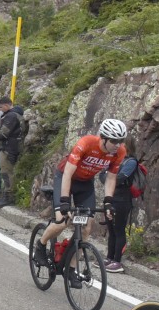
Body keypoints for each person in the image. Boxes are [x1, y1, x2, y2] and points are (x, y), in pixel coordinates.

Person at [33, 119, 128, 289]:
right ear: (103, 138)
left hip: (85, 184)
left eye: (120, 141)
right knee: (62, 221)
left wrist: (107, 202)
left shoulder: (119, 152)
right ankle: (40, 245)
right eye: (114, 141)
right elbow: (68, 173)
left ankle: (70, 269)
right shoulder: (86, 143)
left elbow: (111, 178)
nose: (117, 145)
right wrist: (64, 201)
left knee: (86, 227)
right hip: (65, 177)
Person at [105, 149, 140, 273]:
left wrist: (110, 178)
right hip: (110, 197)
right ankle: (109, 257)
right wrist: (110, 178)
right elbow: (102, 177)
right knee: (111, 229)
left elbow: (119, 178)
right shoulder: (114, 161)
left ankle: (117, 261)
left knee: (118, 229)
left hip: (122, 200)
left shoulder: (131, 162)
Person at [0, 98, 24, 207]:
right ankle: (6, 195)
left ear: (6, 105)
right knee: (6, 172)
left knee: (6, 172)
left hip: (9, 148)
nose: (0, 110)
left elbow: (4, 134)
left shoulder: (11, 116)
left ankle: (8, 197)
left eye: (1, 107)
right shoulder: (14, 115)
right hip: (12, 147)